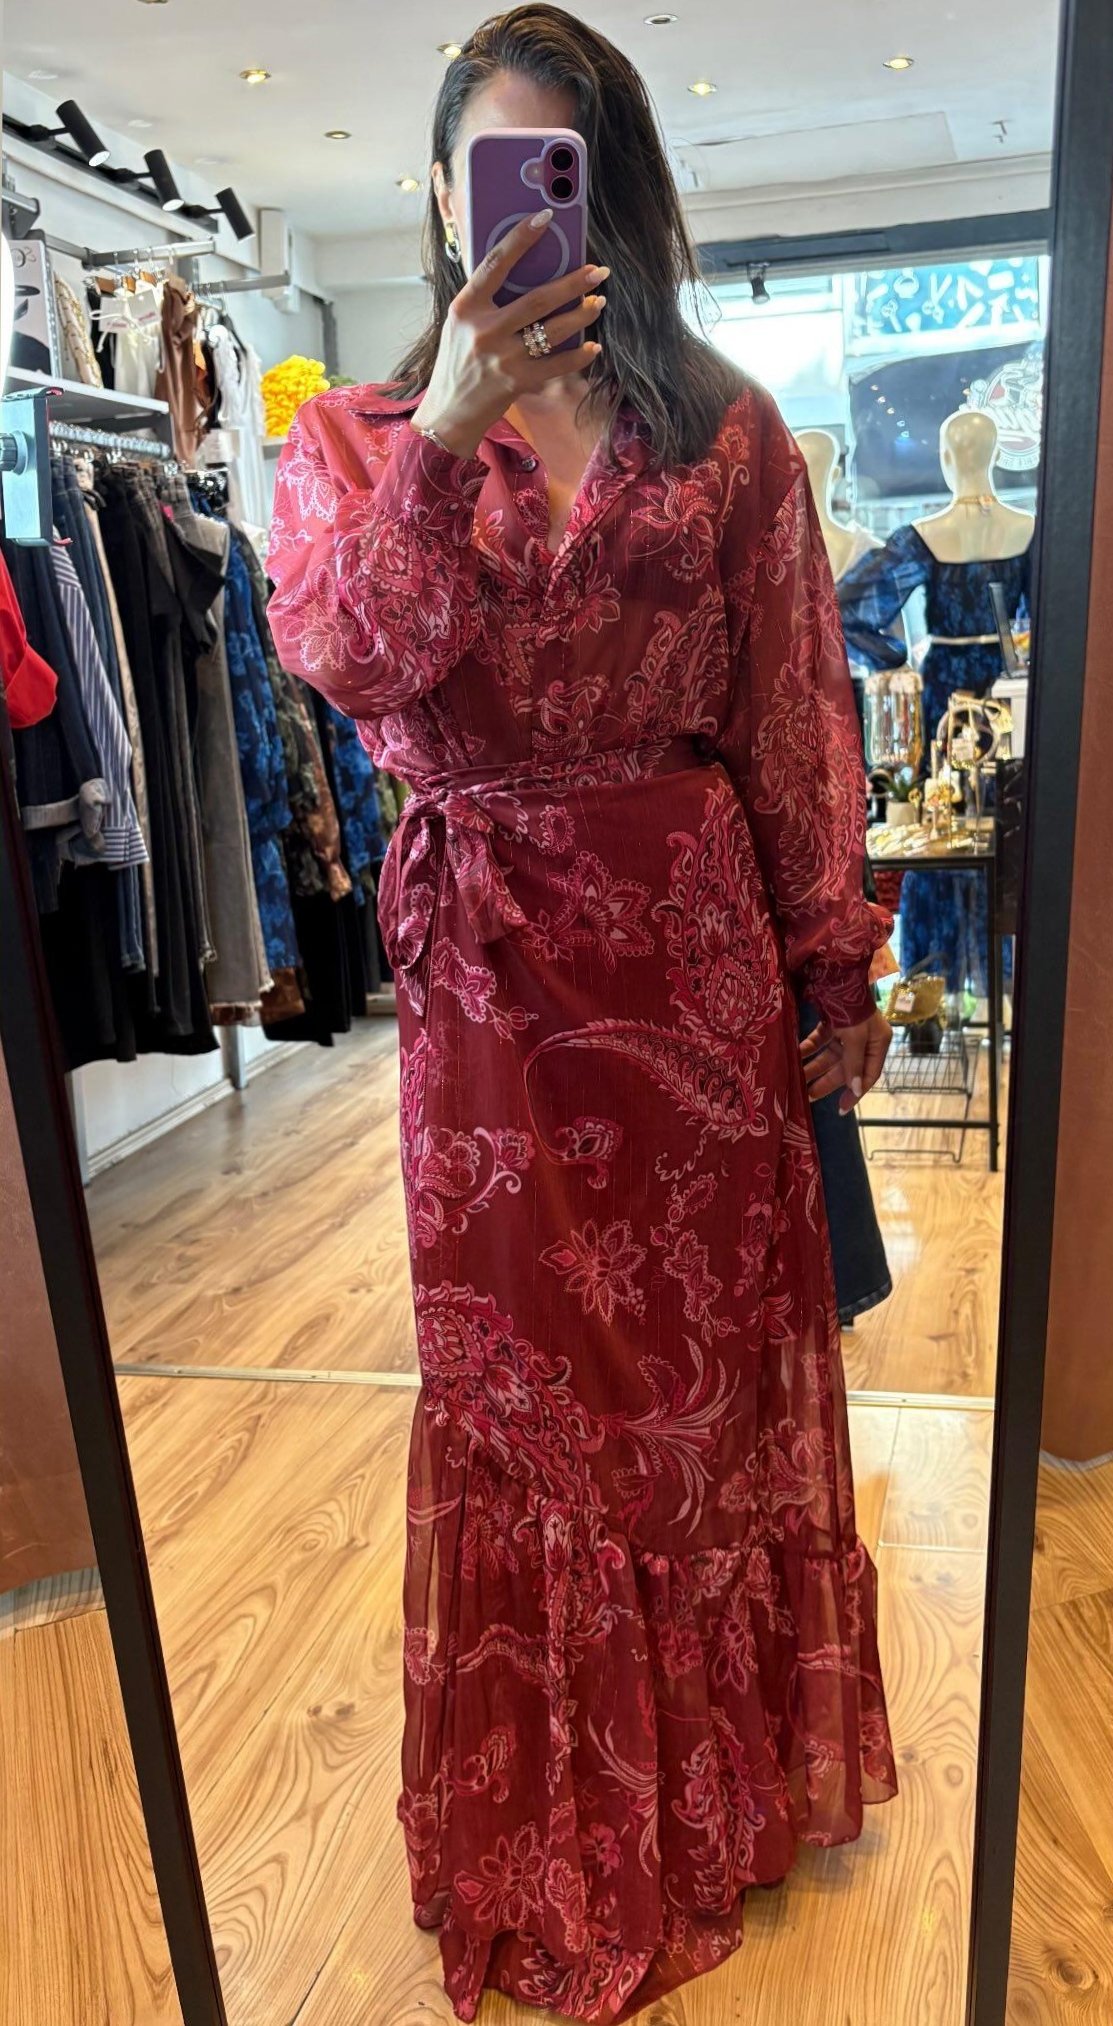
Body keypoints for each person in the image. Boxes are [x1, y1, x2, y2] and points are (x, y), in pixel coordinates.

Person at [267, 8, 897, 2017]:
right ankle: (554, 1822)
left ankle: (705, 1797)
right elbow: (348, 657)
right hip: (484, 1004)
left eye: (563, 172)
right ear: (443, 203)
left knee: (693, 1387)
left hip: (690, 973)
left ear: (617, 193)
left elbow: (794, 714)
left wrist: (833, 963)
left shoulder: (727, 433)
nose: (527, 218)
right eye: (492, 180)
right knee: (524, 1397)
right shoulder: (353, 440)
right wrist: (442, 437)